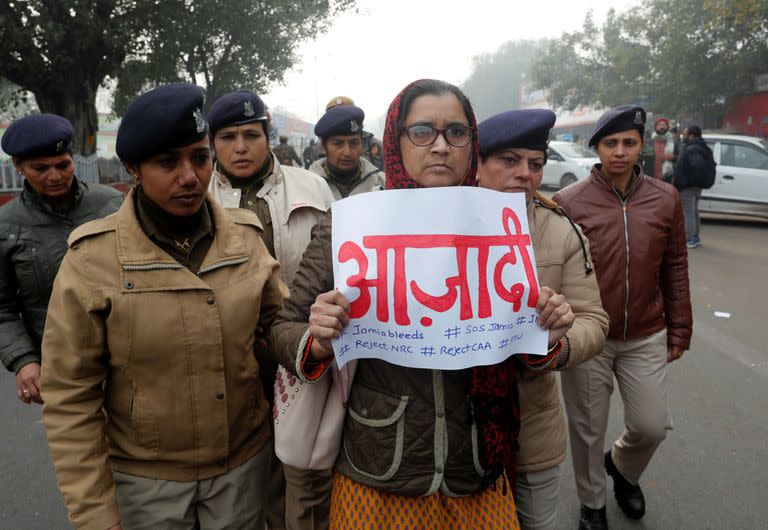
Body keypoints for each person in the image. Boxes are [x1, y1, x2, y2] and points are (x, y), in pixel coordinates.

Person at [269, 79, 576, 530]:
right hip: (377, 470)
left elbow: (519, 344)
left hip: (477, 469)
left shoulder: (499, 224)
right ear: (396, 141)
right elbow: (282, 329)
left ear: (471, 144)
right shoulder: (351, 224)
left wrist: (546, 331)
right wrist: (315, 342)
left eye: (455, 132)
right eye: (422, 132)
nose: (440, 146)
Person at [40, 83, 288, 530]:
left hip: (242, 474)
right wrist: (95, 514)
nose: (190, 176)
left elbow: (282, 334)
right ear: (133, 168)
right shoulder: (92, 260)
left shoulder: (246, 241)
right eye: (167, 162)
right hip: (145, 486)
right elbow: (70, 398)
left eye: (199, 156)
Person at [554, 105, 692, 530]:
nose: (619, 151)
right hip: (588, 336)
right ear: (596, 147)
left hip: (646, 333)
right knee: (587, 429)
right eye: (610, 143)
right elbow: (554, 270)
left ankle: (623, 469)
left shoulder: (664, 198)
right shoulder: (569, 202)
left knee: (650, 426)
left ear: (640, 146)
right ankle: (592, 502)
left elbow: (675, 266)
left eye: (628, 143)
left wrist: (680, 326)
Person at [206, 89, 335, 530]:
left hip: (299, 349)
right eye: (227, 137)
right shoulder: (196, 195)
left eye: (250, 134)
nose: (240, 147)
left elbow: (340, 262)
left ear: (268, 135)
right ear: (212, 143)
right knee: (239, 469)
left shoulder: (312, 187)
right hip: (227, 356)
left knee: (300, 468)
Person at [476, 109, 610, 530]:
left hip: (532, 426)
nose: (524, 174)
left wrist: (555, 341)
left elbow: (594, 321)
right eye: (509, 161)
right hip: (457, 434)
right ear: (476, 165)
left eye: (535, 164)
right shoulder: (432, 224)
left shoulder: (561, 231)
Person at [0, 113, 123, 406]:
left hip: (130, 356)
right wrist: (24, 359)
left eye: (62, 165)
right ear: (18, 165)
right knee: (79, 448)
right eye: (40, 168)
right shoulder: (1, 227)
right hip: (61, 369)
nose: (54, 176)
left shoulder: (112, 204)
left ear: (73, 159)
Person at [308, 104, 385, 198]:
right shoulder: (308, 185)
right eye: (338, 144)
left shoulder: (381, 183)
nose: (347, 153)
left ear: (362, 143)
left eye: (354, 143)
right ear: (324, 146)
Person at [675, 125, 714, 248]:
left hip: (689, 186)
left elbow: (696, 166)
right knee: (694, 211)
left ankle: (689, 238)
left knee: (688, 213)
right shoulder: (703, 147)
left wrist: (688, 182)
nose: (684, 136)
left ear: (691, 135)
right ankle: (695, 237)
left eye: (686, 134)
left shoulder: (692, 149)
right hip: (696, 186)